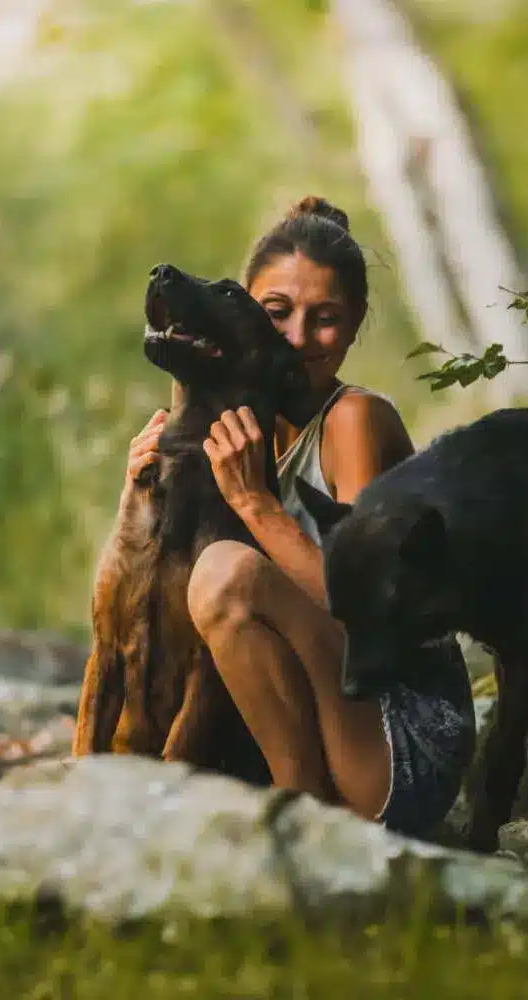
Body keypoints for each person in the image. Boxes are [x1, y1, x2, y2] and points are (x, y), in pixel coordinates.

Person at [122, 196, 476, 837]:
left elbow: (368, 615)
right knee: (201, 589)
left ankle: (308, 835)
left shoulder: (353, 421)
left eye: (326, 320)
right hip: (304, 722)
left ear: (356, 322)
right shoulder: (230, 421)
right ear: (242, 309)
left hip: (394, 740)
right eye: (277, 312)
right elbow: (155, 605)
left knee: (228, 574)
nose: (298, 339)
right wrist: (144, 488)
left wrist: (255, 506)